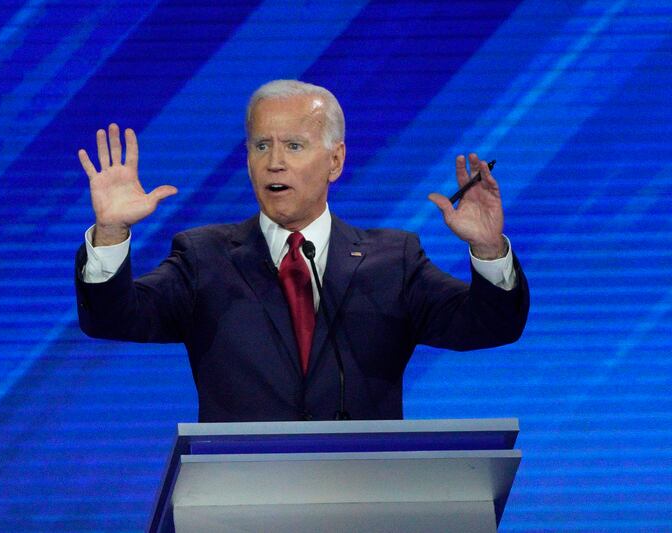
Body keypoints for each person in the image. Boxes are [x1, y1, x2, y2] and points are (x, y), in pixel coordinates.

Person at [74, 80, 529, 422]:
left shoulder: (394, 260)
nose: (275, 162)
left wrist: (488, 249)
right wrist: (111, 231)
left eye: (294, 146)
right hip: (237, 505)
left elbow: (489, 326)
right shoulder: (204, 257)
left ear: (335, 160)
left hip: (362, 502)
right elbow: (114, 318)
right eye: (261, 146)